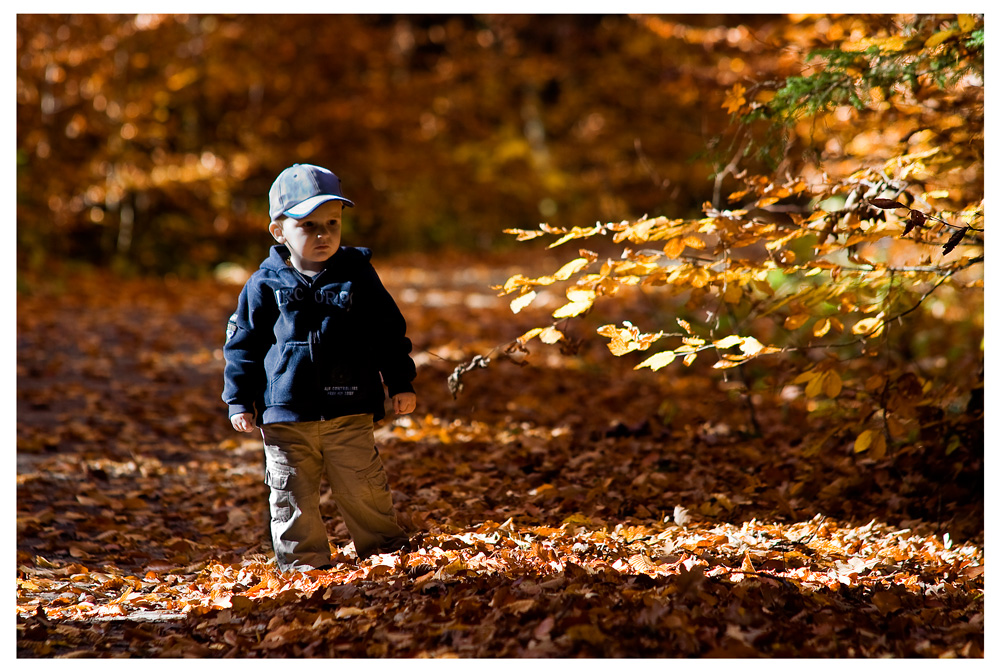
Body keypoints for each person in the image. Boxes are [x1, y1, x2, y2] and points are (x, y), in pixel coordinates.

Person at [222, 163, 416, 571]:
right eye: (308, 225)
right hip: (285, 414)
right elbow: (243, 345)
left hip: (350, 410)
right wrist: (238, 399)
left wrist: (400, 381)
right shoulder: (265, 284)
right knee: (291, 494)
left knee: (363, 486)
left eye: (332, 222)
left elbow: (387, 332)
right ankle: (303, 565)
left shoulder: (358, 277)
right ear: (279, 231)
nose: (323, 234)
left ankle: (385, 553)